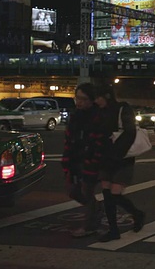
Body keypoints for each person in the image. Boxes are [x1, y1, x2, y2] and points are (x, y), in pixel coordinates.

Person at [94, 85, 145, 242]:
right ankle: (113, 230)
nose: (96, 101)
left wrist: (116, 153)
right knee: (107, 194)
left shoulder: (123, 109)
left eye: (98, 97)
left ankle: (137, 214)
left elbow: (130, 133)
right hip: (106, 158)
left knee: (115, 194)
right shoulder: (99, 112)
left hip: (122, 159)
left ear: (107, 96)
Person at [61, 83, 105, 238]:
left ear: (91, 100)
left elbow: (99, 141)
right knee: (72, 190)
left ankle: (90, 225)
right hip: (75, 157)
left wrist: (93, 158)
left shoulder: (97, 116)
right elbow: (69, 138)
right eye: (77, 98)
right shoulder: (75, 116)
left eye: (83, 99)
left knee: (87, 190)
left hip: (90, 159)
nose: (79, 102)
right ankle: (95, 208)